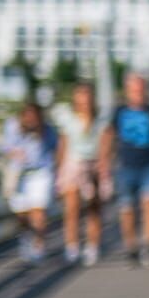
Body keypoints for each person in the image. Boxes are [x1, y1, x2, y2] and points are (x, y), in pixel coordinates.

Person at [103, 75, 149, 268]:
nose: (138, 94)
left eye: (140, 90)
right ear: (127, 91)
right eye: (134, 90)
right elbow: (109, 136)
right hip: (125, 166)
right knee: (127, 209)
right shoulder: (119, 112)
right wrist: (105, 163)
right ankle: (131, 246)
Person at [53, 84, 107, 266]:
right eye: (80, 98)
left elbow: (106, 144)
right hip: (72, 164)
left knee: (94, 208)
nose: (84, 102)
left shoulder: (100, 120)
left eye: (87, 98)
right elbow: (63, 145)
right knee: (71, 208)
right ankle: (72, 246)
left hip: (93, 164)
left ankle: (93, 245)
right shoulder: (69, 119)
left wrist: (104, 166)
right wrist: (59, 169)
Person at [6, 102, 58, 263]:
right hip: (20, 174)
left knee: (39, 211)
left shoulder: (46, 129)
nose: (31, 120)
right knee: (22, 215)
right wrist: (14, 152)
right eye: (27, 116)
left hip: (40, 173)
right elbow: (5, 147)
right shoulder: (12, 126)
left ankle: (39, 245)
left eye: (34, 116)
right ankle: (25, 239)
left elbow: (56, 147)